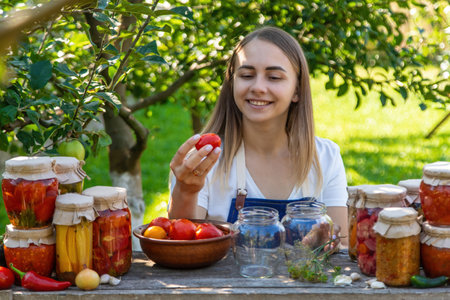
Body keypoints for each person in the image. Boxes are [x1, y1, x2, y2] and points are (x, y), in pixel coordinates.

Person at [168, 26, 348, 248]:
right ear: (232, 83)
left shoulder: (325, 158)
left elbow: (342, 248)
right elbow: (182, 243)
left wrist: (328, 241)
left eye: (273, 77)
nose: (258, 87)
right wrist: (186, 190)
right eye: (246, 75)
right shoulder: (204, 159)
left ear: (297, 91)